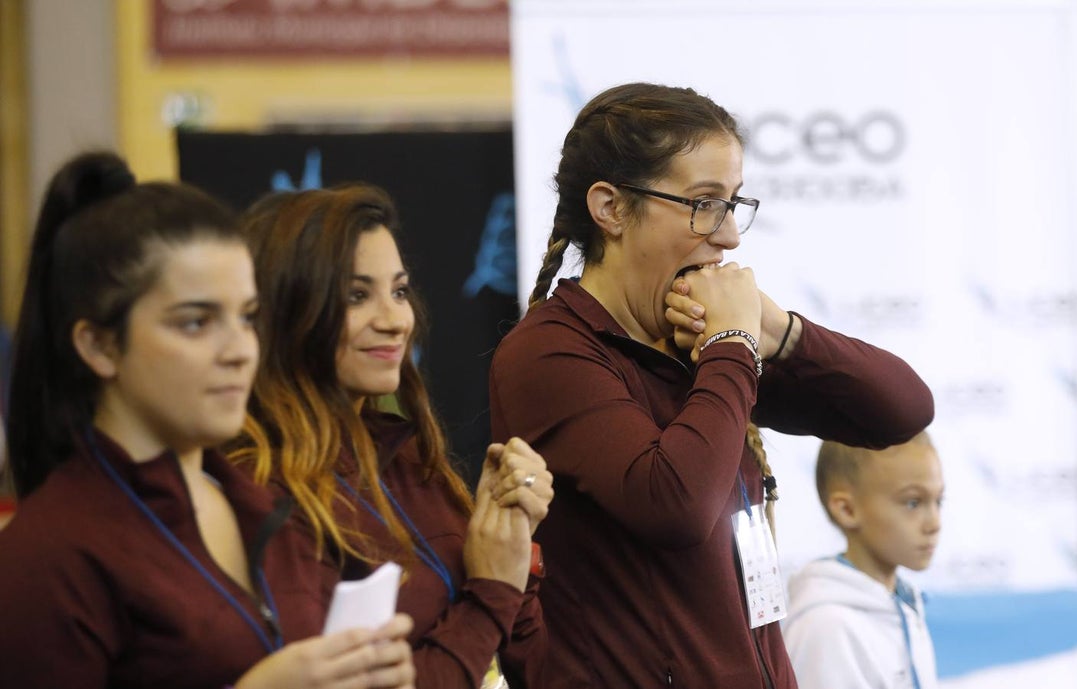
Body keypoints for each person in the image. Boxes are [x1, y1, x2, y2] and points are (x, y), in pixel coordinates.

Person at [488, 82, 936, 689]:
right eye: (703, 203)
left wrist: (778, 330)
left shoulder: (696, 336)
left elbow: (902, 410)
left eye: (733, 204)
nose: (728, 236)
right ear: (611, 208)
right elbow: (675, 503)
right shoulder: (549, 353)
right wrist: (733, 348)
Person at [0, 152, 416, 689]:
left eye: (246, 318)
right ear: (100, 345)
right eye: (196, 323)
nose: (240, 350)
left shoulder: (266, 504)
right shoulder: (49, 558)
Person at [231, 184, 553, 689]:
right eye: (357, 296)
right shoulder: (260, 492)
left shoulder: (407, 461)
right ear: (287, 310)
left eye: (399, 291)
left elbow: (532, 665)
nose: (394, 320)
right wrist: (492, 590)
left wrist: (510, 540)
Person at [783, 433, 943, 689]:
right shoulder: (826, 628)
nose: (934, 523)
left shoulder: (902, 607)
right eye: (913, 502)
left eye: (938, 501)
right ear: (847, 509)